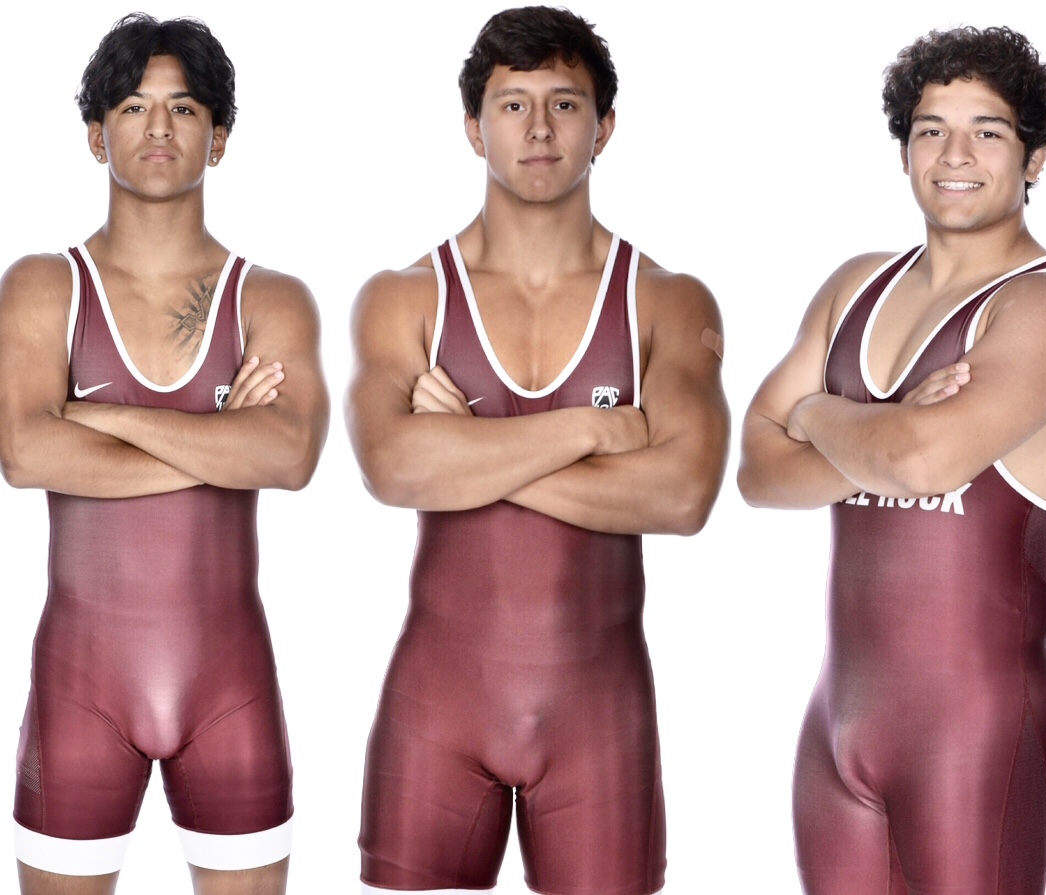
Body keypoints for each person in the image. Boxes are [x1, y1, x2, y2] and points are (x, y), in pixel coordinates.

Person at [345, 6, 728, 893]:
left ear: (605, 126)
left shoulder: (666, 299)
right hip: (435, 713)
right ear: (472, 128)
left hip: (599, 719)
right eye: (513, 105)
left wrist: (466, 452)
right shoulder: (405, 296)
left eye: (564, 103)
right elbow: (392, 468)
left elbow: (682, 496)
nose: (540, 129)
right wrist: (594, 428)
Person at [738, 25, 1046, 895]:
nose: (954, 155)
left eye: (987, 131)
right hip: (836, 726)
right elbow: (756, 470)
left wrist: (813, 413)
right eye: (930, 129)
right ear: (903, 149)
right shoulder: (854, 287)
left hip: (974, 730)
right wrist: (883, 428)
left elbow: (925, 463)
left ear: (1035, 157)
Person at [0, 13, 329, 895]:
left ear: (218, 139)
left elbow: (290, 455)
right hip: (78, 691)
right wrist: (223, 442)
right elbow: (25, 451)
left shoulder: (271, 298)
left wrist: (96, 416)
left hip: (230, 691)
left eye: (184, 109)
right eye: (133, 107)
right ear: (95, 134)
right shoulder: (42, 285)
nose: (158, 127)